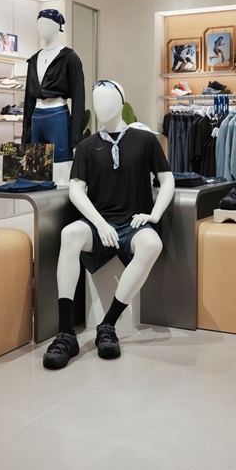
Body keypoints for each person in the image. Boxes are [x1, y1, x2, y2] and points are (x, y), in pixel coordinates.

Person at [42, 80, 174, 370]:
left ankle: (108, 324)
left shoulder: (145, 140)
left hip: (133, 223)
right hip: (99, 223)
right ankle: (66, 333)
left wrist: (153, 215)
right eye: (96, 100)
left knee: (152, 244)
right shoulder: (87, 146)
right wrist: (99, 223)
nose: (101, 106)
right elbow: (76, 189)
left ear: (121, 101)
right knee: (69, 234)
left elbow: (167, 180)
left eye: (108, 99)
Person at [23, 9, 85, 185]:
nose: (41, 27)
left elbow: (79, 97)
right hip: (36, 117)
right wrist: (25, 135)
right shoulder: (34, 59)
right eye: (39, 23)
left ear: (58, 26)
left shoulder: (70, 57)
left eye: (47, 23)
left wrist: (76, 139)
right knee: (35, 175)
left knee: (61, 175)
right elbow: (28, 99)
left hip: (57, 117)